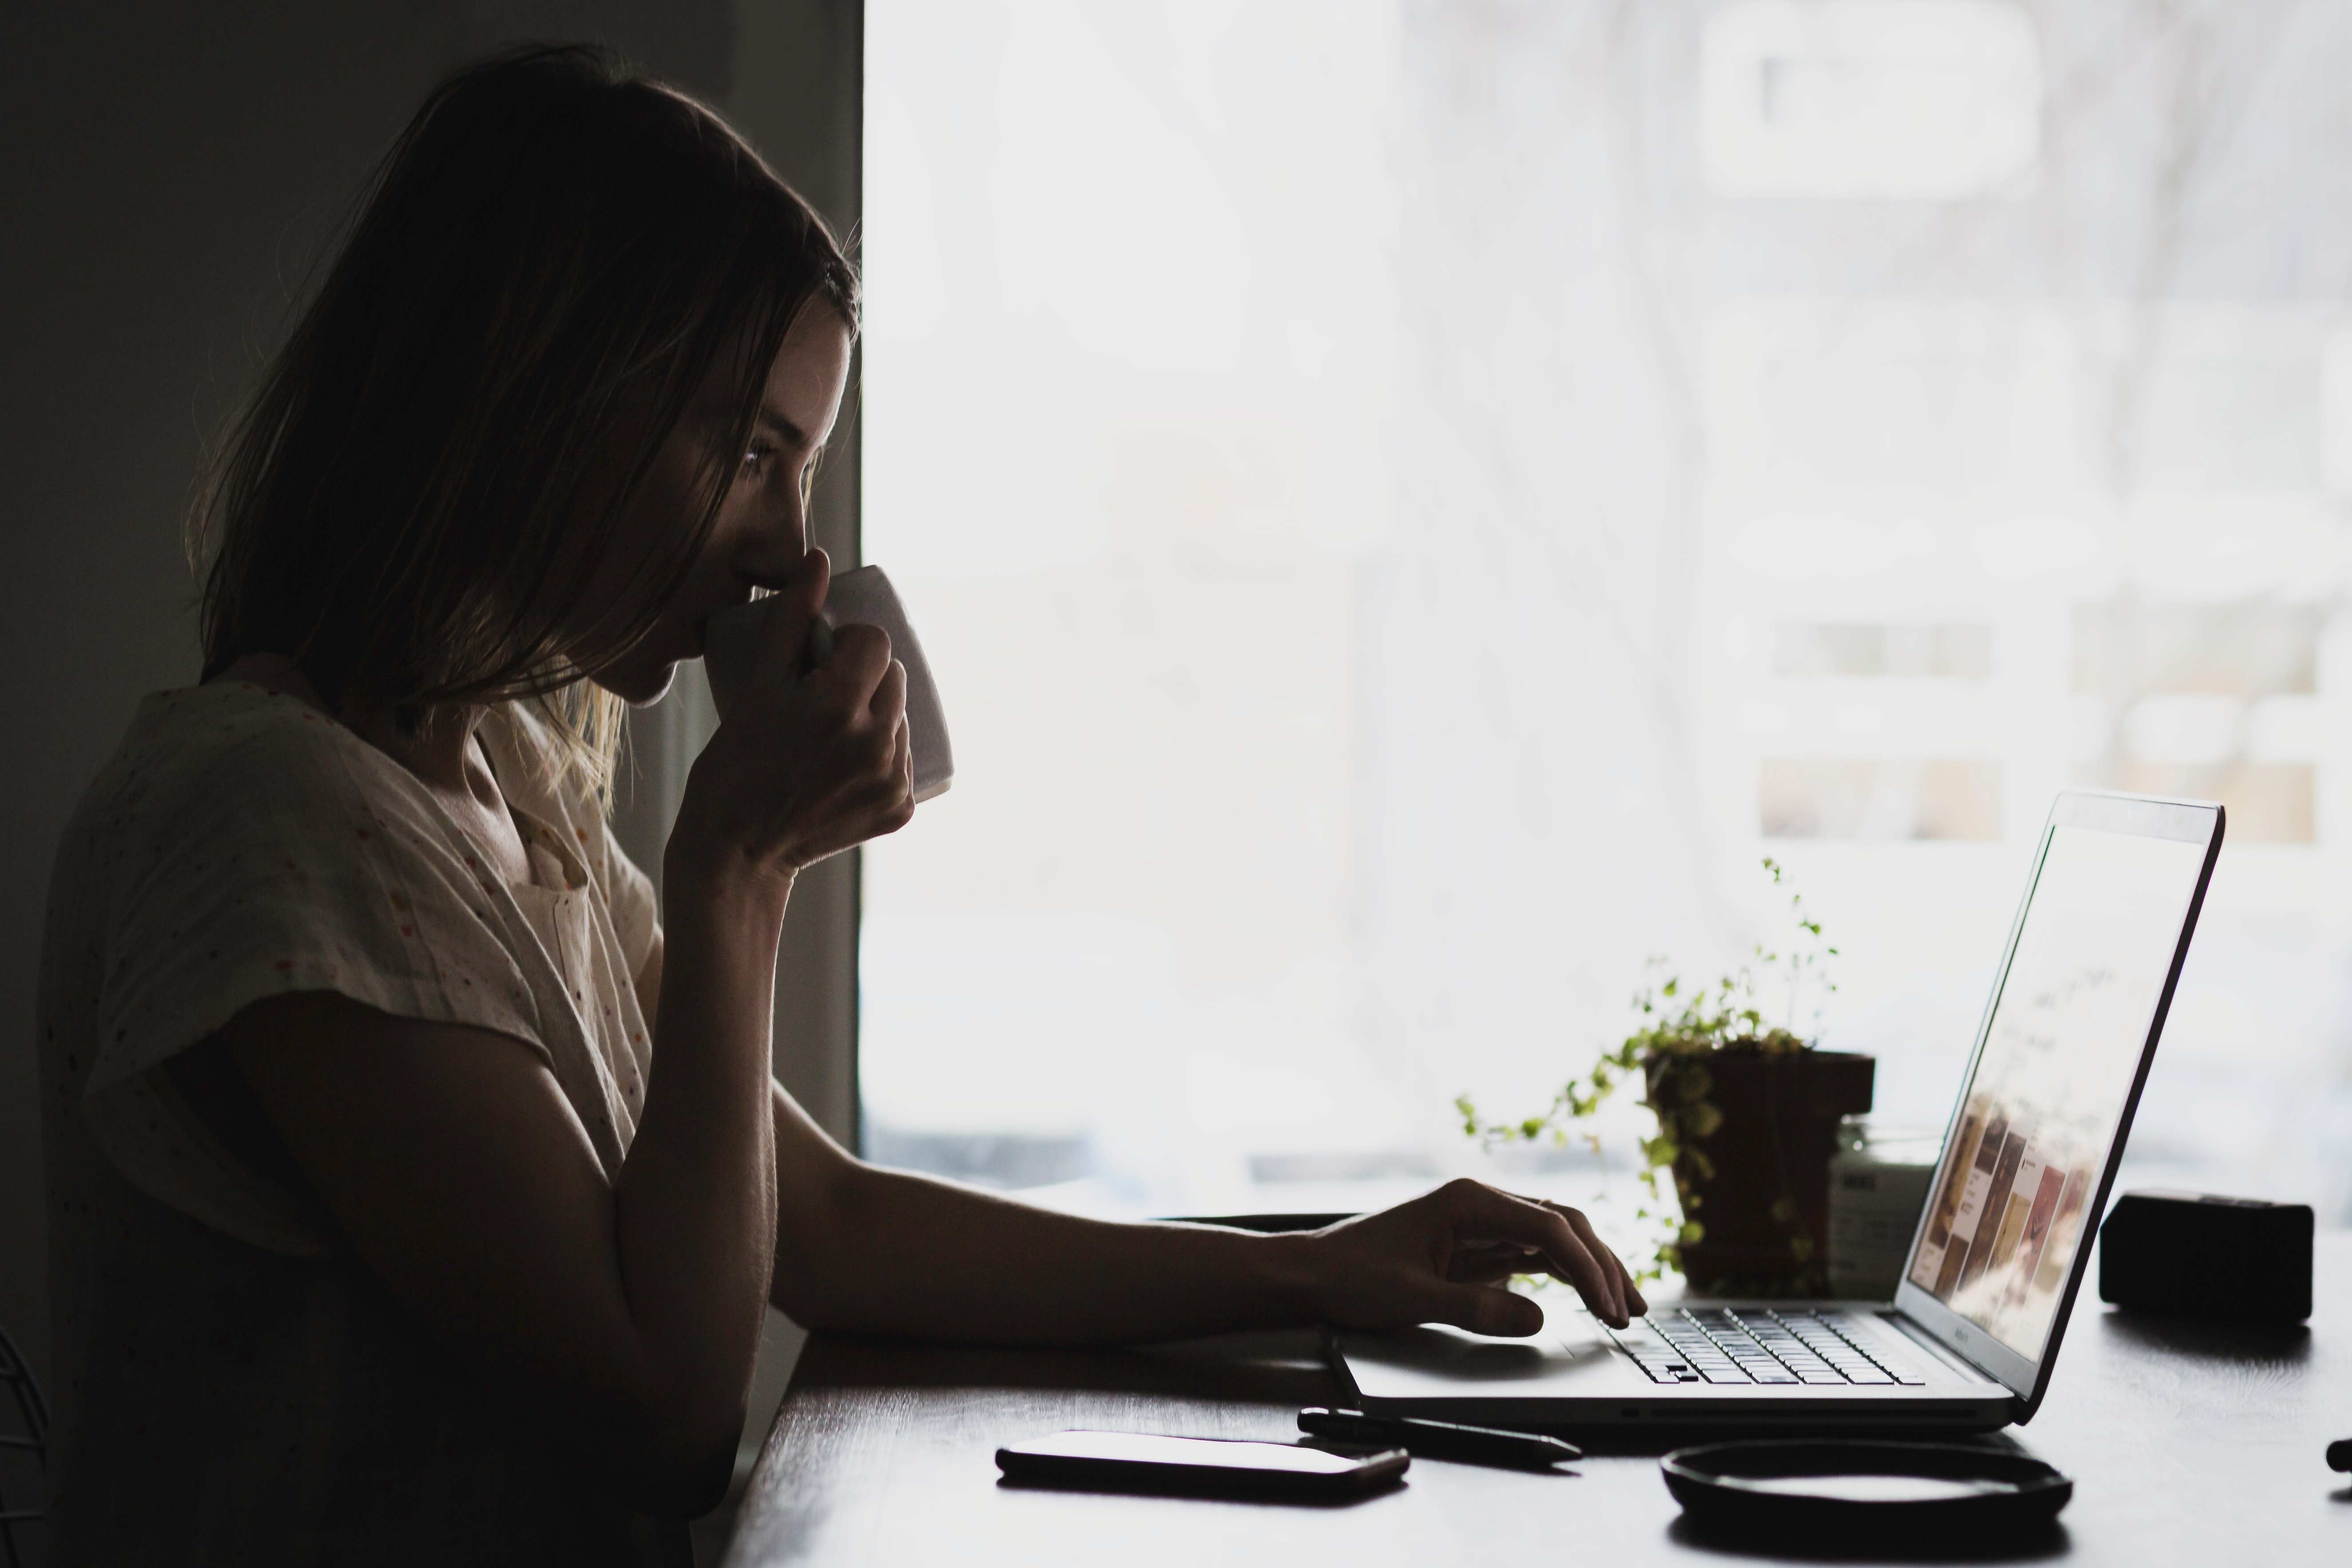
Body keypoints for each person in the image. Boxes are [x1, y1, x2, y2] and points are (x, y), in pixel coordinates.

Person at [34, 45, 1642, 1565]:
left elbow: (825, 1222)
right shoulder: (274, 817)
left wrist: (1327, 1267)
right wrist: (738, 859)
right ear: (543, 401)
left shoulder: (501, 793)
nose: (789, 553)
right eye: (750, 451)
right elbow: (660, 1412)